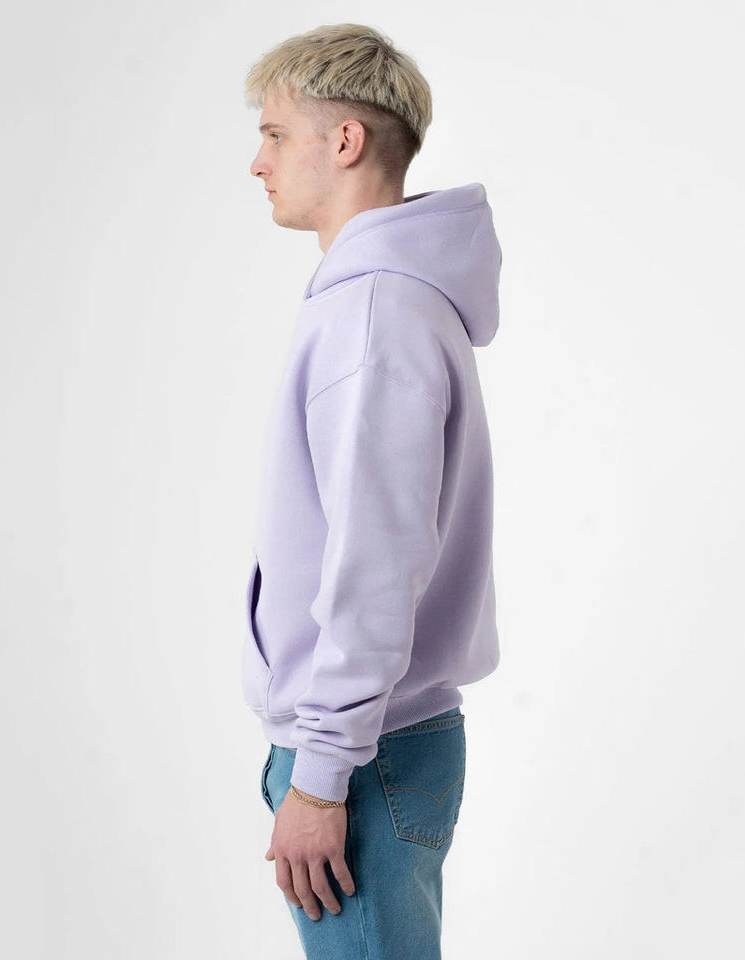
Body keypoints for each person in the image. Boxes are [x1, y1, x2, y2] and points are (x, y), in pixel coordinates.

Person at [241, 22, 503, 959]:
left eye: (276, 135)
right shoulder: (389, 301)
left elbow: (378, 567)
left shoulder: (374, 315)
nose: (259, 162)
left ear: (345, 140)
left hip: (363, 756)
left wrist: (319, 776)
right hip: (377, 743)